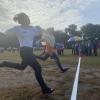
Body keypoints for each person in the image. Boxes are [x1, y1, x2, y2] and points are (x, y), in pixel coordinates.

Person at [0, 13, 54, 94]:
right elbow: (7, 31)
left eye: (28, 17)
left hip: (30, 50)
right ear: (22, 20)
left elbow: (40, 33)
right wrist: (10, 34)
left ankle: (4, 63)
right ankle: (44, 89)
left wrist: (41, 29)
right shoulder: (17, 28)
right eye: (26, 18)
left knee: (22, 67)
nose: (28, 19)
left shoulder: (32, 28)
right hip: (24, 51)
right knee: (38, 68)